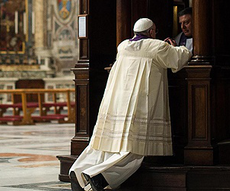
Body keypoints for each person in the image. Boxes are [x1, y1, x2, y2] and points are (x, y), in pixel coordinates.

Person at [69, 18, 192, 191]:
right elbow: (178, 59)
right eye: (154, 31)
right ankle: (99, 177)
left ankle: (79, 169)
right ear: (150, 32)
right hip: (139, 103)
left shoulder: (123, 46)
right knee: (133, 151)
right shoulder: (157, 47)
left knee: (106, 145)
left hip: (118, 102)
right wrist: (178, 47)